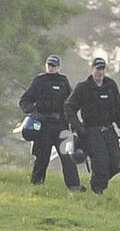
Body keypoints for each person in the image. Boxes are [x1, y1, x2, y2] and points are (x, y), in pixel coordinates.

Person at [64, 57, 120, 195]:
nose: (100, 72)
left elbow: (118, 109)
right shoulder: (83, 87)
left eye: (102, 69)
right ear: (92, 69)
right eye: (97, 69)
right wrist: (78, 128)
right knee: (101, 162)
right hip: (91, 130)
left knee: (116, 163)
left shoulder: (111, 86)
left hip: (109, 129)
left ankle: (98, 184)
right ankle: (97, 190)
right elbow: (69, 107)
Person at [19, 54, 82, 190]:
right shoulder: (39, 80)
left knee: (68, 157)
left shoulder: (63, 81)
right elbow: (25, 101)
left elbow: (71, 103)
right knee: (42, 158)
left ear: (59, 67)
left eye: (54, 65)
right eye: (49, 65)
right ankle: (36, 185)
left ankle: (74, 186)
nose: (51, 68)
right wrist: (35, 113)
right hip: (44, 126)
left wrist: (73, 122)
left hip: (61, 126)